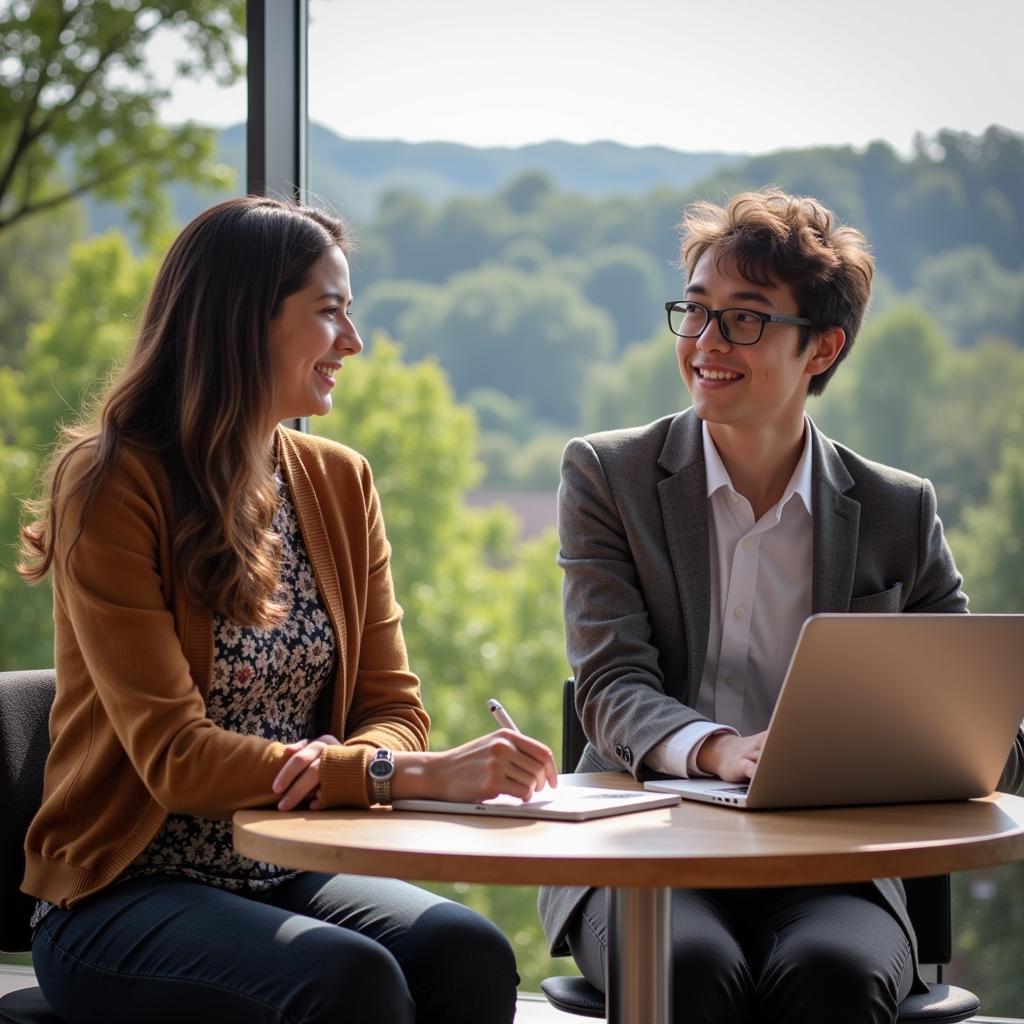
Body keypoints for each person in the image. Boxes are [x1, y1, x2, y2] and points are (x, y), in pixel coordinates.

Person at [18, 195, 557, 1024]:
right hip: (119, 892)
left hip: (285, 868)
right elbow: (175, 759)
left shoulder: (341, 482)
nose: (354, 341)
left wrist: (375, 756)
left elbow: (392, 708)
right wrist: (393, 774)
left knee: (470, 953)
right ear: (243, 322)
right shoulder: (111, 484)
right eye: (329, 312)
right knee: (347, 982)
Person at [538, 187, 1024, 1024]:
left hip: (835, 862)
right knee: (685, 970)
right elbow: (609, 685)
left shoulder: (897, 509)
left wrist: (976, 744)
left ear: (823, 348)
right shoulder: (608, 478)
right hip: (641, 849)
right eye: (695, 313)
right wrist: (719, 749)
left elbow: (977, 732)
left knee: (833, 976)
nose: (705, 343)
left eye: (745, 318)